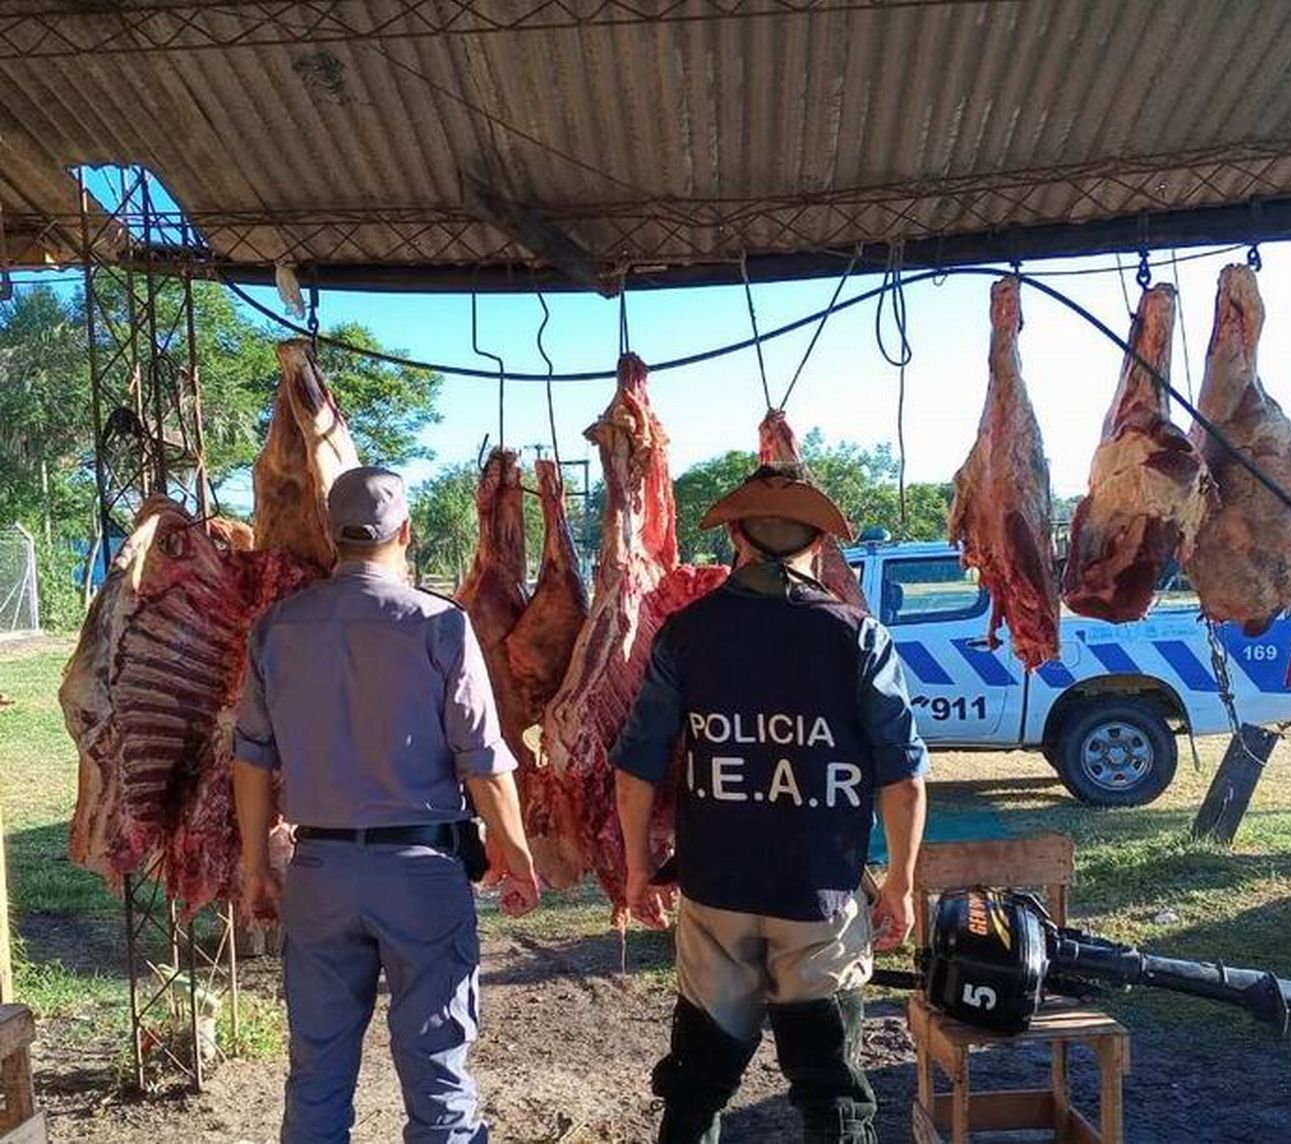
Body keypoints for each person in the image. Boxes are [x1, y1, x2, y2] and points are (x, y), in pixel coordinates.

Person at [612, 462, 930, 1144]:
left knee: (697, 1085)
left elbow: (637, 768)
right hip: (819, 897)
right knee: (832, 1093)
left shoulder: (687, 633)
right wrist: (900, 881)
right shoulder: (858, 637)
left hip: (716, 894)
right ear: (818, 542)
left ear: (736, 538)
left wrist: (639, 868)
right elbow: (901, 775)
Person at [232, 465, 541, 1144]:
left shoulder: (277, 628)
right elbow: (483, 762)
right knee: (437, 1074)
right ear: (406, 532)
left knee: (315, 1076)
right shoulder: (439, 624)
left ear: (329, 534)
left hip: (319, 873)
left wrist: (258, 865)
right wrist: (515, 857)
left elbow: (251, 758)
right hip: (421, 875)